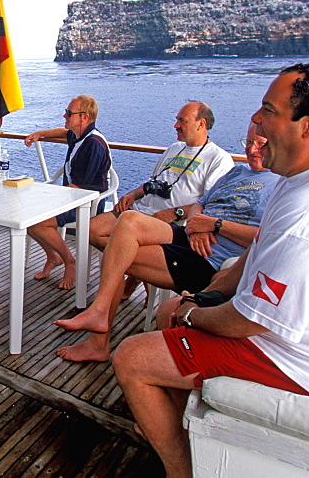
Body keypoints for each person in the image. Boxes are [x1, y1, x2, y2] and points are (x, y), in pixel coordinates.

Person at [112, 63, 309, 478]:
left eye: (269, 110)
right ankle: (178, 435)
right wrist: (218, 282)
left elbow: (248, 320)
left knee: (131, 356)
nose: (257, 119)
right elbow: (267, 240)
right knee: (167, 312)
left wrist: (195, 313)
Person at [54, 123, 280, 362]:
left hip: (211, 257)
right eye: (249, 143)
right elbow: (199, 205)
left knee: (117, 255)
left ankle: (98, 341)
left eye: (260, 144)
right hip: (191, 235)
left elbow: (266, 238)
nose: (253, 150)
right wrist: (195, 226)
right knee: (129, 220)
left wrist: (214, 225)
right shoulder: (237, 173)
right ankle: (98, 313)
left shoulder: (281, 184)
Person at [89, 101, 233, 250]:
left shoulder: (218, 158)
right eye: (177, 120)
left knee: (129, 244)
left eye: (182, 121)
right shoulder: (174, 149)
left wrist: (174, 213)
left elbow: (210, 205)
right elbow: (153, 181)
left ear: (201, 124)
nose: (176, 126)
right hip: (139, 211)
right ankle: (130, 261)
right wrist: (133, 194)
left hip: (169, 222)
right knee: (92, 230)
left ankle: (131, 262)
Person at [23, 95, 111, 289]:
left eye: (69, 113)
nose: (65, 115)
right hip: (70, 196)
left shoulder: (93, 144)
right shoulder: (79, 134)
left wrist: (48, 195)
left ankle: (68, 260)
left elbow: (82, 189)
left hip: (87, 202)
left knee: (36, 223)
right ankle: (53, 257)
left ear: (84, 117)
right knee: (27, 217)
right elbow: (64, 133)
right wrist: (39, 134)